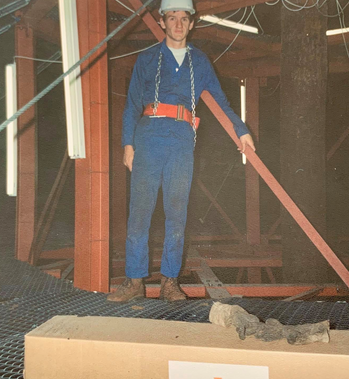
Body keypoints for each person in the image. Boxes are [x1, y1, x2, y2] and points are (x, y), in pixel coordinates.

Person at [107, 0, 255, 302]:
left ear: (191, 23)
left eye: (183, 18)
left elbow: (221, 102)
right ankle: (134, 281)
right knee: (140, 212)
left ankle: (169, 282)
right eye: (171, 18)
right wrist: (128, 144)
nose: (177, 24)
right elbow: (132, 105)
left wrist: (242, 130)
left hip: (182, 139)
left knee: (177, 213)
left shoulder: (200, 61)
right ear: (162, 22)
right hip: (148, 136)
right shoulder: (147, 58)